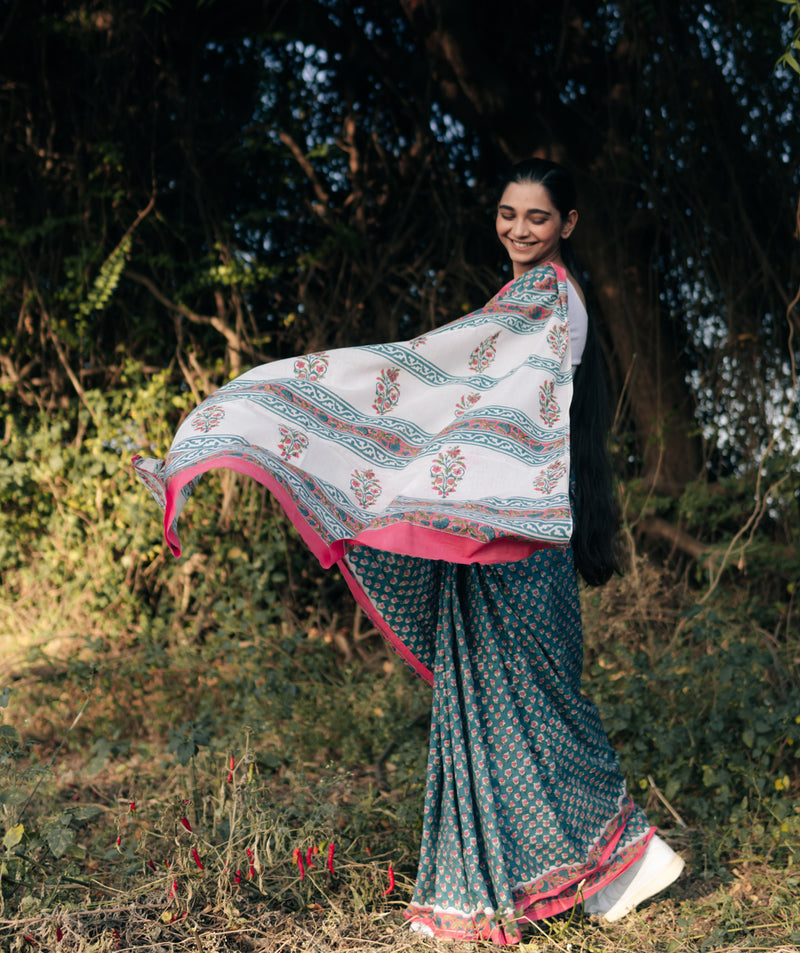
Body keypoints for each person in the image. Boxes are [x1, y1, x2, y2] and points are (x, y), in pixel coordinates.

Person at [134, 157, 684, 945]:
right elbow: (457, 393)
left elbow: (421, 376)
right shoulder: (537, 301)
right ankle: (584, 873)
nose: (518, 229)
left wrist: (296, 397)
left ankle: (630, 855)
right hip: (512, 530)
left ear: (568, 224)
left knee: (537, 693)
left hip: (516, 536)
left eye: (536, 217)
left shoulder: (543, 300)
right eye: (507, 213)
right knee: (506, 695)